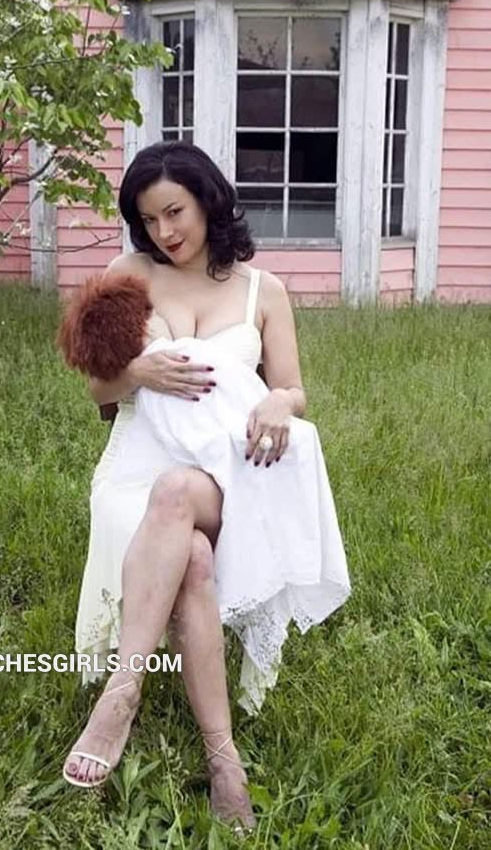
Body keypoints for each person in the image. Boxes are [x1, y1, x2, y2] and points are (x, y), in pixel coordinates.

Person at [61, 141, 350, 834]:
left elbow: (293, 389)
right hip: (138, 463)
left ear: (208, 201)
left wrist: (279, 401)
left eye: (175, 212)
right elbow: (98, 388)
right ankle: (224, 760)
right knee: (189, 551)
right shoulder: (128, 274)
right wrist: (138, 374)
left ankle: (122, 692)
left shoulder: (262, 291)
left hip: (229, 478)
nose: (164, 231)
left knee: (175, 496)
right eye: (148, 219)